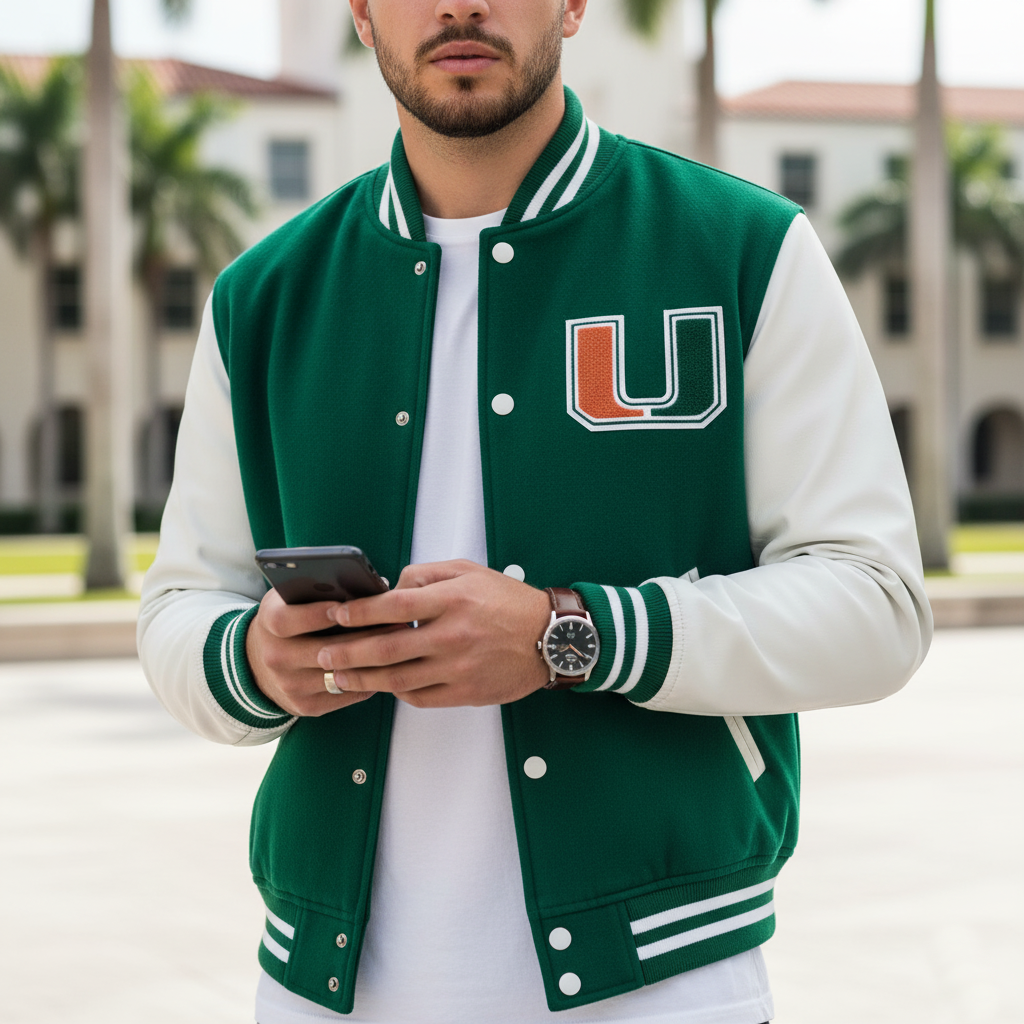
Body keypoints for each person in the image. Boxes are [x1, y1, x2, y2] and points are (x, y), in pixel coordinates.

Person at [138, 1, 932, 1021]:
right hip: (323, 990)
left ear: (571, 3)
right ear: (362, 11)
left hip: (659, 983)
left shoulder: (741, 249)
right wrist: (257, 658)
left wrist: (573, 633)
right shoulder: (266, 295)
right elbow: (177, 609)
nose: (459, 5)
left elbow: (876, 606)